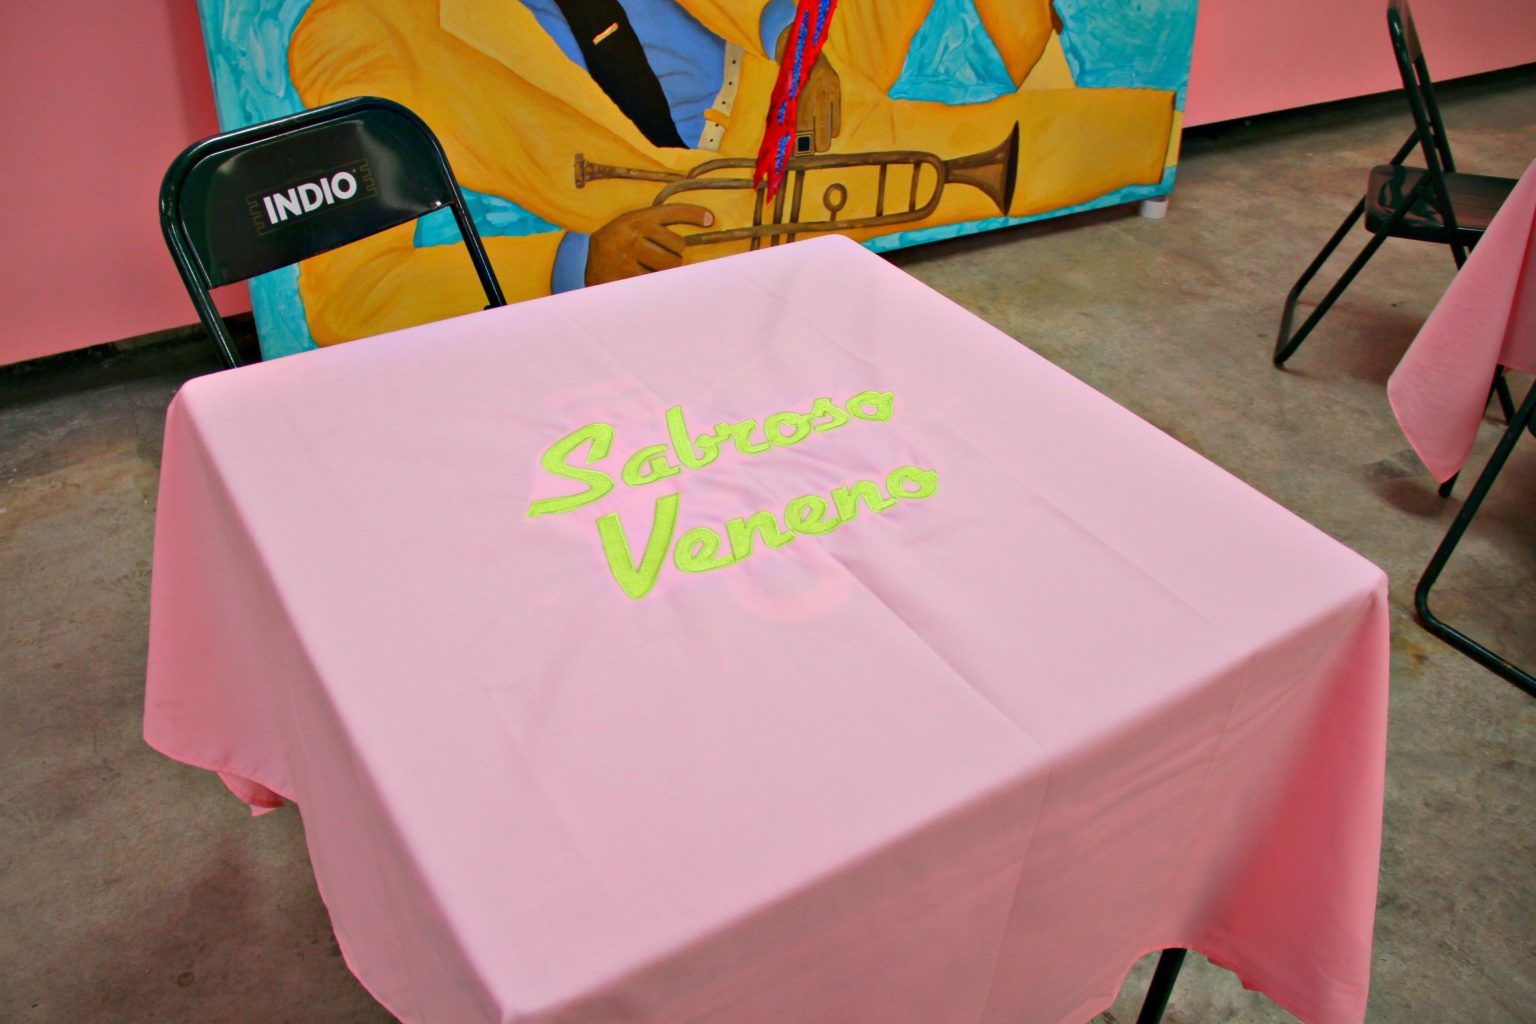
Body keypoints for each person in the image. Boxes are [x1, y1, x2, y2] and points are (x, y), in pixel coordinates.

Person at [288, 0, 1175, 343]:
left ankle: (1073, 96)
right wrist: (573, 264)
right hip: (694, 222)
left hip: (808, 93)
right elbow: (352, 295)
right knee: (1050, 152)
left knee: (1094, 143)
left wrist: (799, 38)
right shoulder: (363, 35)